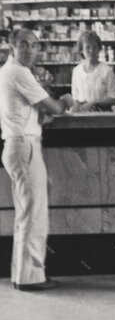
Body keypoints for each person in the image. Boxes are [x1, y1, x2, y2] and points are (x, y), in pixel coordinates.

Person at [0, 28, 74, 290]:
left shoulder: (8, 71)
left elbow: (30, 110)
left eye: (34, 45)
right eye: (23, 44)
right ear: (12, 46)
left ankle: (22, 275)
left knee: (26, 213)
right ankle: (31, 278)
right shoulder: (19, 72)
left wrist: (40, 116)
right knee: (34, 215)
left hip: (16, 145)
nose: (30, 50)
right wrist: (66, 100)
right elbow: (54, 107)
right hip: (25, 147)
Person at [71, 31, 115, 111]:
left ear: (99, 49)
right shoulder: (77, 71)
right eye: (87, 47)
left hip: (102, 114)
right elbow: (75, 99)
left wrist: (95, 102)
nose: (91, 50)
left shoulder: (106, 71)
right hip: (82, 114)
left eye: (94, 47)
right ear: (81, 50)